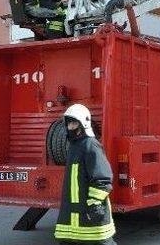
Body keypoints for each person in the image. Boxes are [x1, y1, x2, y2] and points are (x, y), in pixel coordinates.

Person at [54, 104, 116, 244]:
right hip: (73, 214)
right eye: (69, 123)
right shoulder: (74, 146)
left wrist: (95, 203)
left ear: (84, 123)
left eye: (74, 123)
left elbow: (102, 178)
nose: (71, 127)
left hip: (89, 210)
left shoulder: (90, 145)